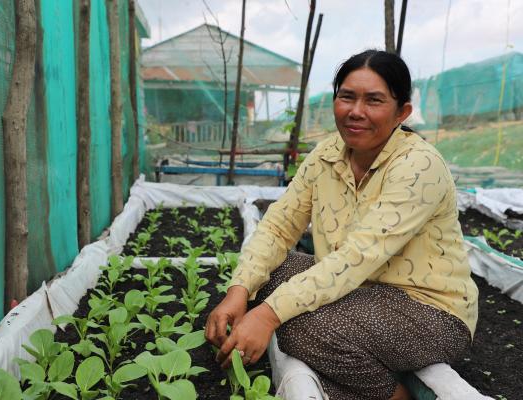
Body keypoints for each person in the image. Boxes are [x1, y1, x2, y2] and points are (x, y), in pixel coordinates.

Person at [205, 49, 478, 400]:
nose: (355, 111)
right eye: (347, 97)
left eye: (374, 100)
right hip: (359, 294)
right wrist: (238, 290)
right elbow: (279, 224)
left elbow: (356, 257)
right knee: (264, 280)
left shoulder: (418, 166)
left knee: (298, 329)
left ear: (402, 112)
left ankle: (395, 396)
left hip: (428, 311)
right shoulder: (328, 153)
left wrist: (268, 317)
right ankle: (351, 379)